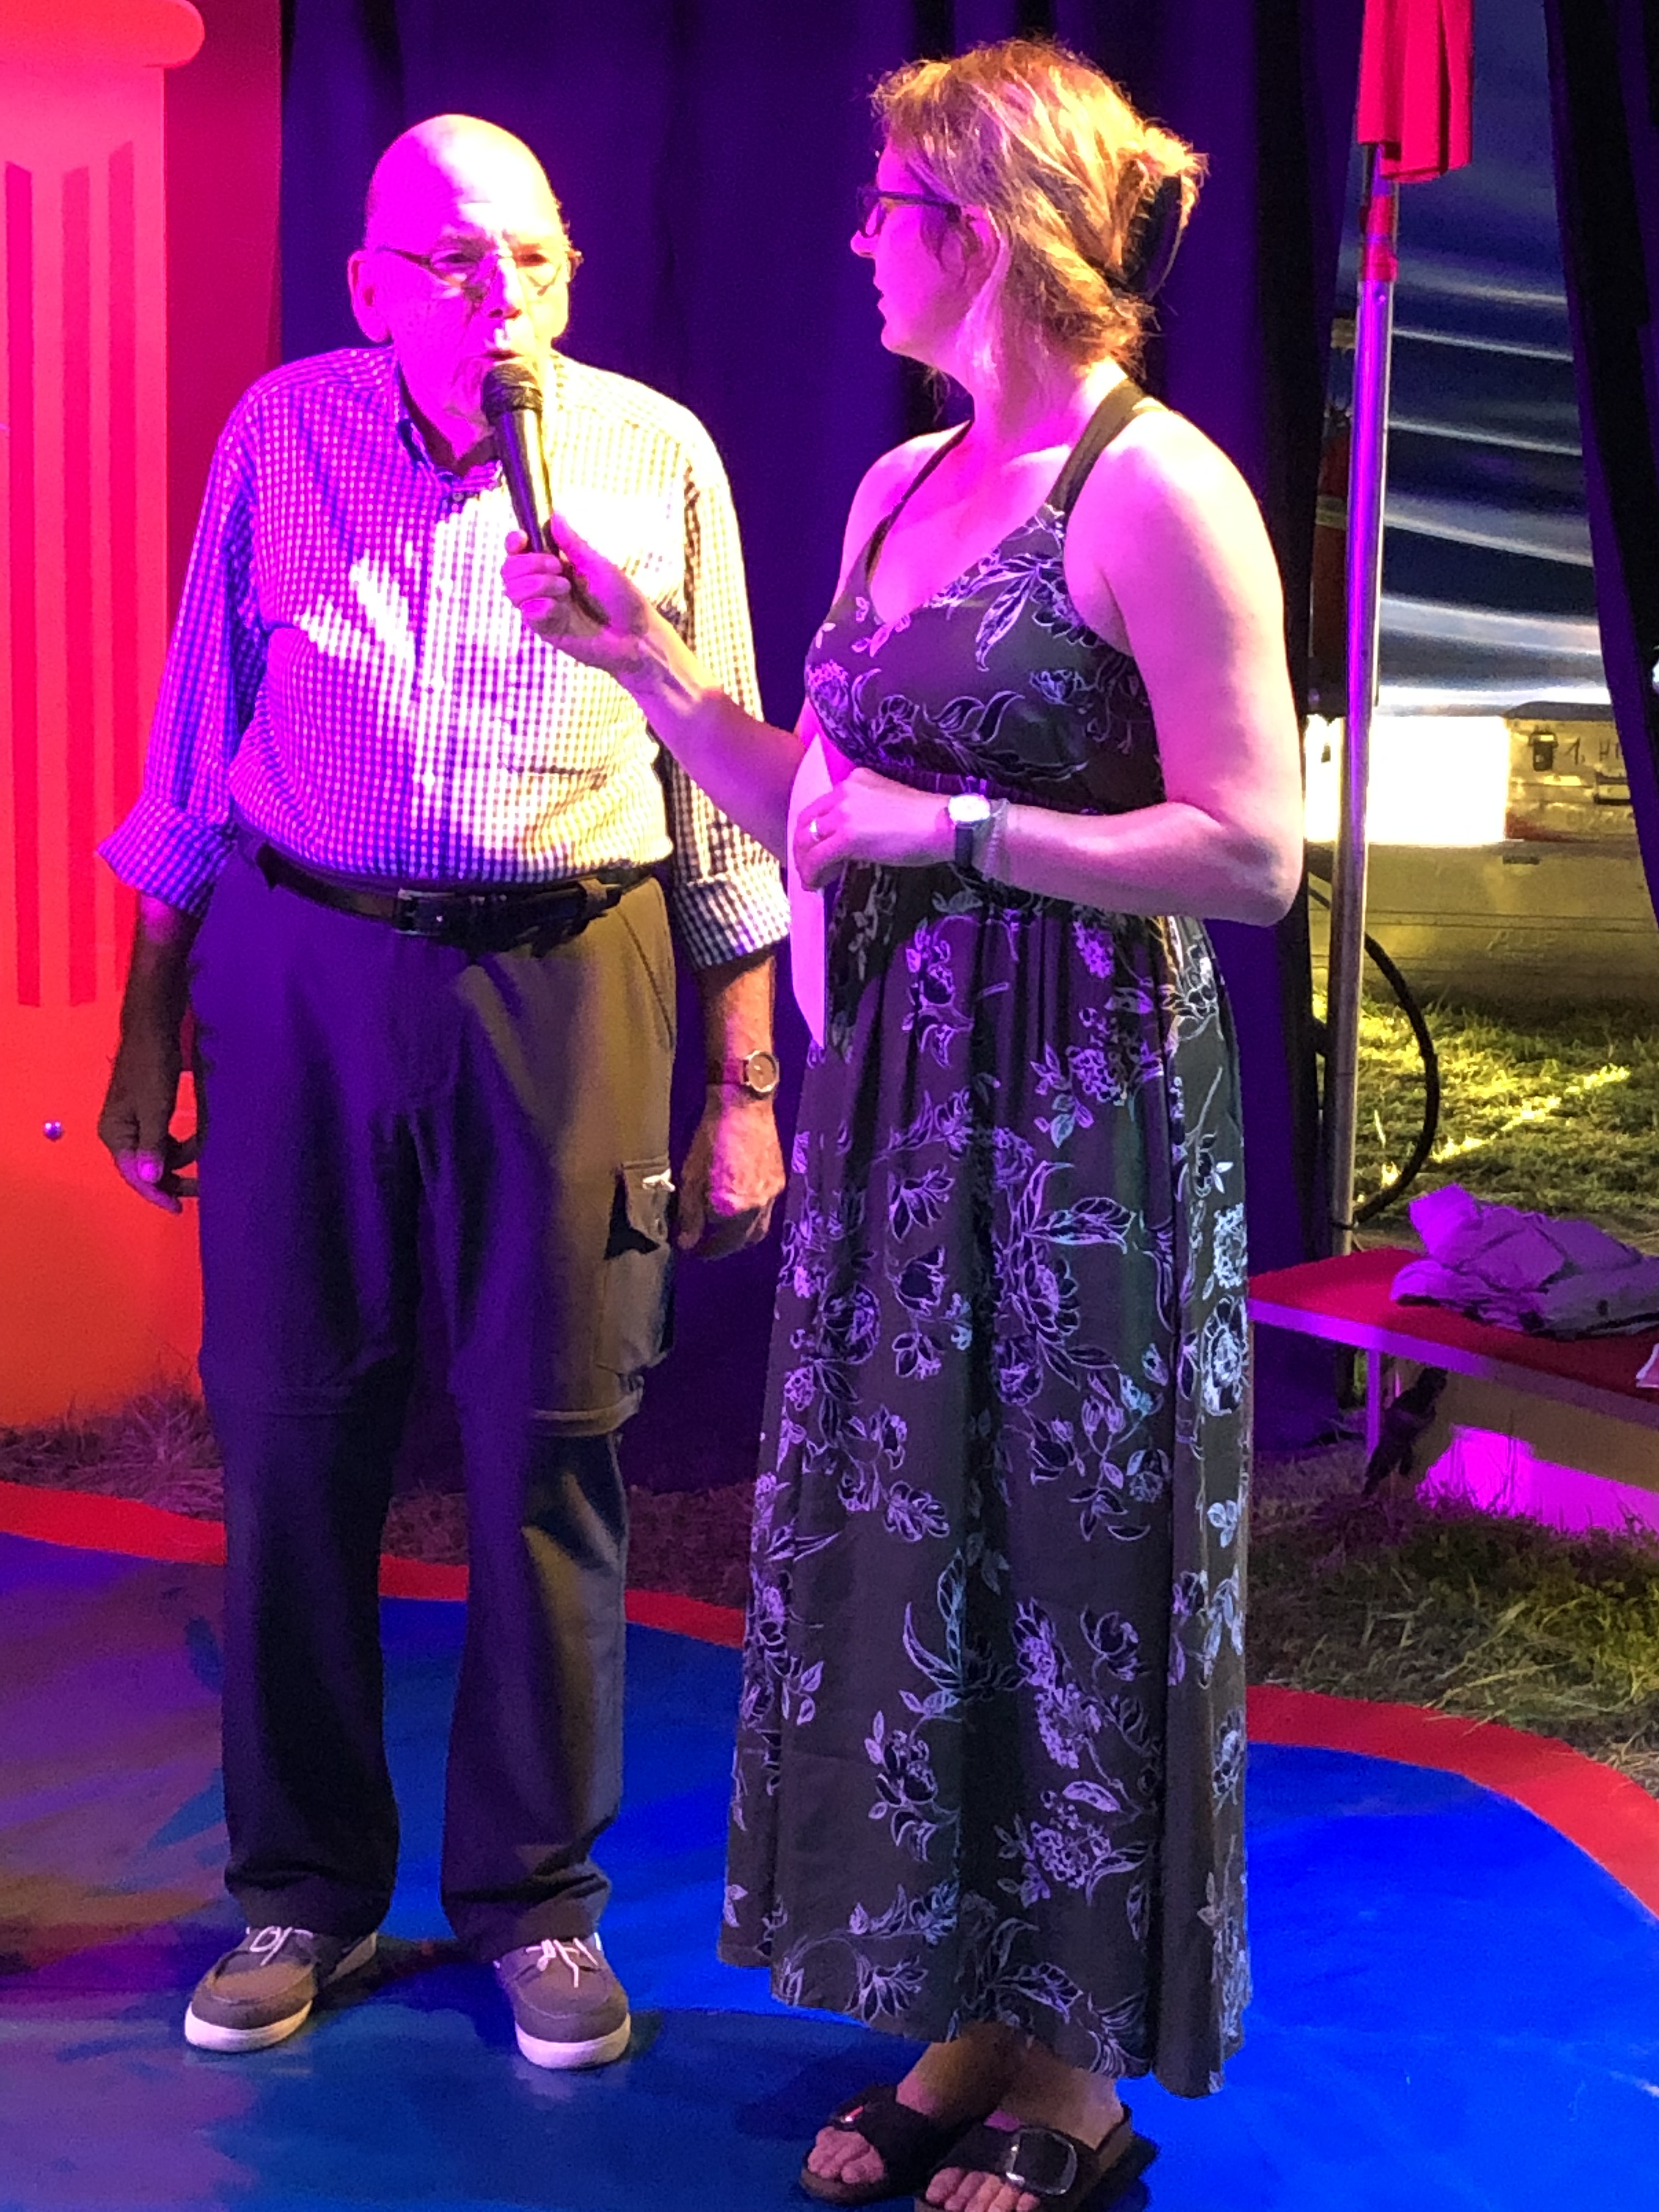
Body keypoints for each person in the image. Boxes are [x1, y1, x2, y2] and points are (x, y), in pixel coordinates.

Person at [504, 37, 1301, 2212]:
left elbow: (1252, 855)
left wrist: (958, 828)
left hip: (1083, 1122)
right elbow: (820, 805)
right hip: (904, 1108)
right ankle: (970, 2013)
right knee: (921, 1545)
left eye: (889, 209)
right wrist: (656, 674)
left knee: (1075, 1553)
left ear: (988, 231)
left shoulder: (1155, 492)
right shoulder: (895, 486)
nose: (857, 240)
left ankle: (1079, 2072)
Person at [95, 115, 788, 2068]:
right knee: (289, 1428)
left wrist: (744, 1083)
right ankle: (300, 1888)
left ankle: (536, 1903)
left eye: (537, 260)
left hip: (574, 968)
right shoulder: (281, 434)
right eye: (461, 263)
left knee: (551, 1438)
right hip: (308, 963)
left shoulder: (653, 455)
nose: (505, 300)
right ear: (371, 286)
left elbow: (722, 793)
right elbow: (199, 741)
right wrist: (148, 1022)